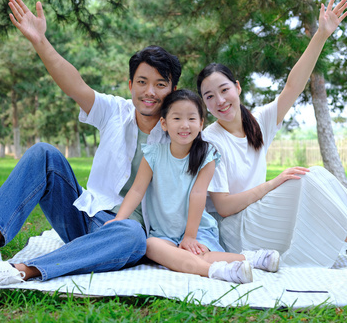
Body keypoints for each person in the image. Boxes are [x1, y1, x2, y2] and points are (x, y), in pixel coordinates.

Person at [0, 0, 184, 286]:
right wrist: (40, 41)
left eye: (160, 84)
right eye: (142, 82)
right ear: (131, 85)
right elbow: (74, 84)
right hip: (85, 216)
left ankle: (20, 270)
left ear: (174, 89)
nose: (149, 92)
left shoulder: (181, 135)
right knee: (44, 154)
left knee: (132, 235)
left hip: (125, 234)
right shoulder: (115, 111)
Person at [196, 0, 347, 277]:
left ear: (237, 87)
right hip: (240, 229)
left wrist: (321, 34)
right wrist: (273, 184)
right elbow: (223, 207)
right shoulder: (210, 140)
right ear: (205, 105)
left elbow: (293, 86)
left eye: (224, 90)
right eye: (209, 96)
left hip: (262, 211)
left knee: (316, 173)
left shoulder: (257, 121)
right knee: (302, 179)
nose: (220, 101)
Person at [105, 89, 280, 284]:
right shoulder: (153, 154)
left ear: (201, 123)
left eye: (191, 118)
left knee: (196, 254)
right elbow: (137, 190)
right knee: (151, 246)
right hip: (164, 233)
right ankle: (222, 269)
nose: (185, 125)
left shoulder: (207, 155)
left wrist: (190, 236)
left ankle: (250, 259)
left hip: (197, 229)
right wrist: (119, 219)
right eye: (177, 118)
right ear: (164, 123)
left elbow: (197, 194)